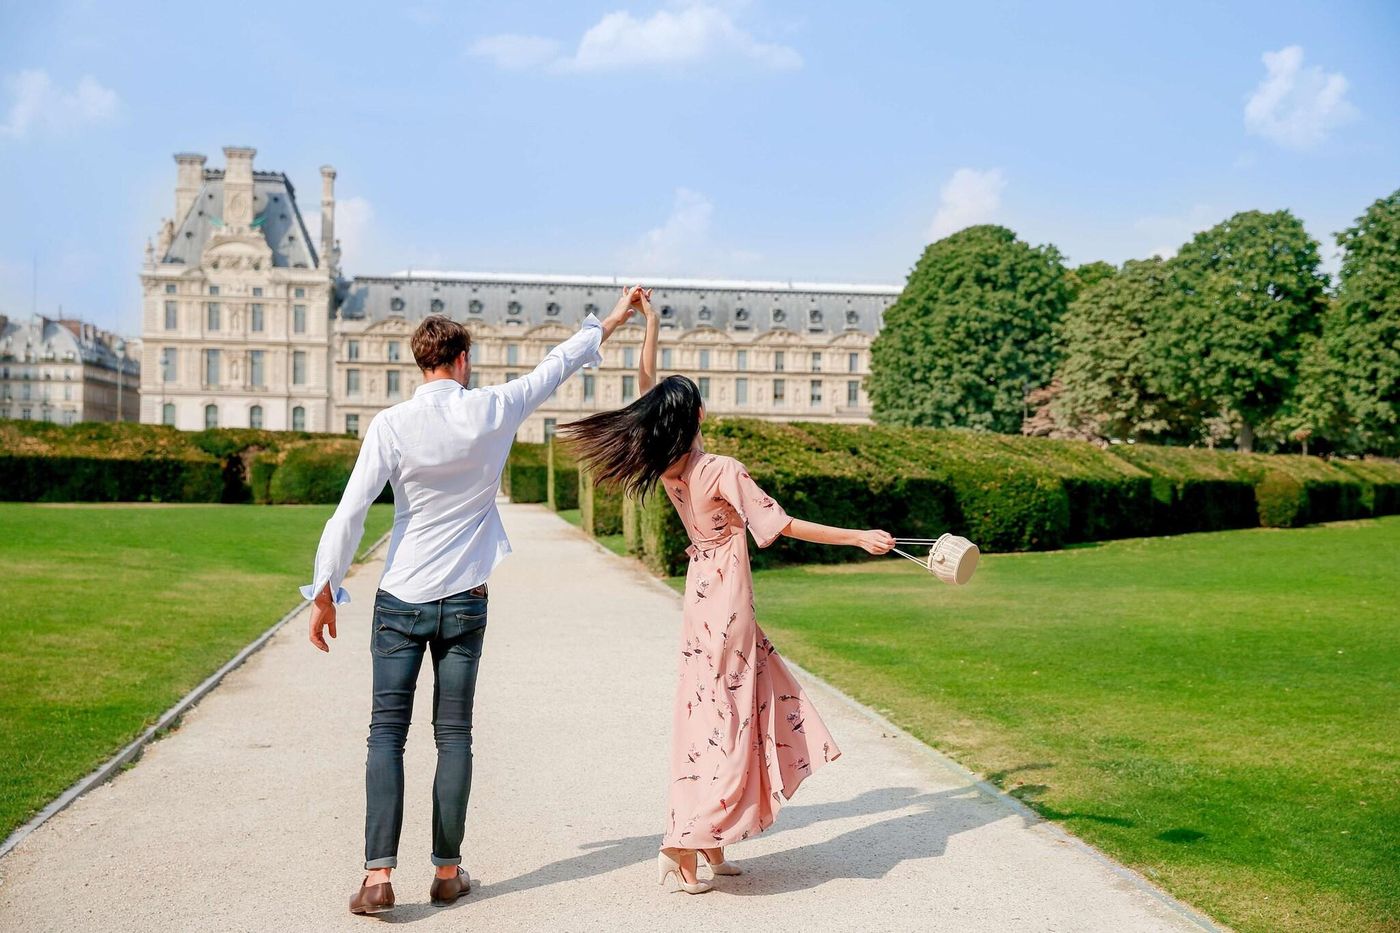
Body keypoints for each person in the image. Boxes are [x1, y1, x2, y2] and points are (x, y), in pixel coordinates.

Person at [302, 287, 644, 915]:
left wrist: (325, 591)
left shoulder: (391, 424)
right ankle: (446, 871)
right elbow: (557, 366)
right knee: (453, 733)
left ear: (420, 363)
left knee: (386, 734)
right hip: (465, 598)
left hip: (400, 598)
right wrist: (615, 318)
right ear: (461, 360)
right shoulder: (493, 407)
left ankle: (378, 876)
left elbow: (351, 512)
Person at [558, 290, 896, 894]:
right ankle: (683, 844)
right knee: (729, 719)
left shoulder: (666, 465)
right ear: (696, 416)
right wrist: (858, 537)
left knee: (718, 709)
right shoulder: (721, 469)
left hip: (701, 599)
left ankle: (710, 844)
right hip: (730, 601)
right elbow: (781, 526)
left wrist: (651, 325)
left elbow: (647, 387)